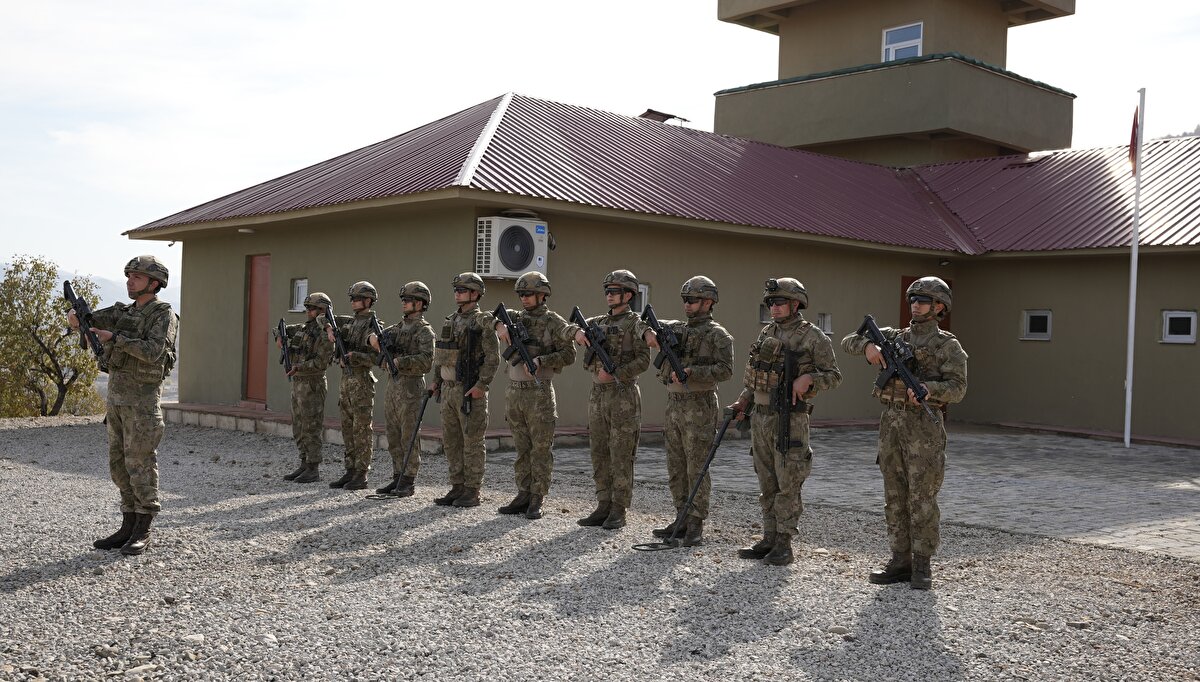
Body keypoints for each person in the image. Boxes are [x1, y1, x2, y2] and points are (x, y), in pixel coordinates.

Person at [840, 276, 967, 590]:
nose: (916, 305)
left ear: (939, 306)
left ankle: (922, 564)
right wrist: (869, 346)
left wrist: (929, 388)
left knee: (922, 497)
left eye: (923, 300)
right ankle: (899, 560)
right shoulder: (894, 336)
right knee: (894, 495)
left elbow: (959, 388)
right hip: (891, 424)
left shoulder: (947, 345)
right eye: (913, 299)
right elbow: (847, 341)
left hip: (924, 429)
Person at [69, 255, 178, 556]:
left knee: (140, 464)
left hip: (142, 403)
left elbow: (154, 351)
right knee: (119, 466)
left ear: (154, 283)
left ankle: (143, 528)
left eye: (137, 277)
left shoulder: (163, 314)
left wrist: (115, 338)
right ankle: (127, 524)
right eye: (128, 276)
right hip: (116, 401)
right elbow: (90, 321)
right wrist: (76, 318)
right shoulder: (124, 311)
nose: (130, 281)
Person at [729, 278, 841, 566]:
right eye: (770, 303)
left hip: (790, 418)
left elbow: (833, 375)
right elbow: (757, 374)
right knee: (767, 481)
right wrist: (744, 400)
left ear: (795, 304)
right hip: (761, 418)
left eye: (779, 302)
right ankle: (768, 537)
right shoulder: (767, 332)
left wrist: (810, 378)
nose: (773, 307)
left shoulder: (812, 336)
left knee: (788, 481)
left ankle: (784, 543)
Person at [643, 276, 733, 546]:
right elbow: (642, 324)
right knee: (676, 465)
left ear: (708, 302)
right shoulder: (676, 328)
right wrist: (648, 335)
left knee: (697, 466)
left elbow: (726, 370)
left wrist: (694, 372)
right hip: (674, 404)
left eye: (692, 300)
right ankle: (680, 516)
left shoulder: (718, 335)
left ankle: (695, 522)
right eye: (685, 299)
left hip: (700, 404)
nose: (687, 304)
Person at [566, 270, 650, 530]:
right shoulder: (597, 321)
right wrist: (575, 333)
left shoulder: (635, 324)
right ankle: (603, 504)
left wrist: (615, 374)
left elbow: (643, 361)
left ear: (628, 295)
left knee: (621, 453)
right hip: (598, 396)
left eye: (615, 291)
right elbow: (565, 328)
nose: (610, 296)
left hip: (622, 394)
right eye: (607, 291)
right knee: (599, 451)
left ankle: (619, 508)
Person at [493, 272, 576, 520]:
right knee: (522, 448)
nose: (524, 299)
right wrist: (498, 326)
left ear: (542, 295)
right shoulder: (515, 318)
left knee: (540, 449)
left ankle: (537, 497)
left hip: (538, 391)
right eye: (521, 294)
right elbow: (490, 316)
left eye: (528, 294)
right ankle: (522, 493)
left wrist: (543, 360)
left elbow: (569, 354)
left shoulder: (553, 321)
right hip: (515, 391)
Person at [430, 273, 499, 508]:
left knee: (472, 441)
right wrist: (436, 381)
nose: (457, 292)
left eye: (463, 289)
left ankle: (472, 490)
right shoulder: (450, 320)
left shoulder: (481, 322)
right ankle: (457, 486)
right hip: (448, 389)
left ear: (475, 294)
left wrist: (482, 385)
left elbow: (492, 358)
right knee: (451, 441)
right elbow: (441, 354)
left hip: (469, 389)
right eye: (456, 289)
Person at [369, 282, 435, 497]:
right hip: (393, 386)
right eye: (404, 300)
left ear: (420, 303)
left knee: (409, 434)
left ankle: (408, 480)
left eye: (408, 300)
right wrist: (372, 340)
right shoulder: (398, 328)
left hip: (411, 386)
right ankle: (397, 475)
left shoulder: (424, 331)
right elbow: (374, 337)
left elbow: (426, 361)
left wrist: (400, 362)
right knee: (393, 433)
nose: (404, 304)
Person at [323, 281, 381, 491]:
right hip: (346, 381)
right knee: (347, 428)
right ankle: (350, 469)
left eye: (358, 298)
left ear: (368, 301)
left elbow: (377, 357)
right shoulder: (350, 322)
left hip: (361, 381)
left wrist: (355, 356)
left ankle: (361, 473)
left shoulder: (373, 325)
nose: (353, 302)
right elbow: (324, 317)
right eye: (352, 298)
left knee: (361, 429)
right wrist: (329, 329)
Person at [277, 292, 335, 484]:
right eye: (307, 308)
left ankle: (313, 467)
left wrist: (299, 367)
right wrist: (279, 336)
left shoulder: (326, 334)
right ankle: (304, 462)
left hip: (313, 383)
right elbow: (281, 329)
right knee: (299, 426)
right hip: (299, 383)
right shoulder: (304, 328)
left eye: (313, 309)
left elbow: (321, 362)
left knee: (311, 427)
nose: (308, 312)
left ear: (323, 310)